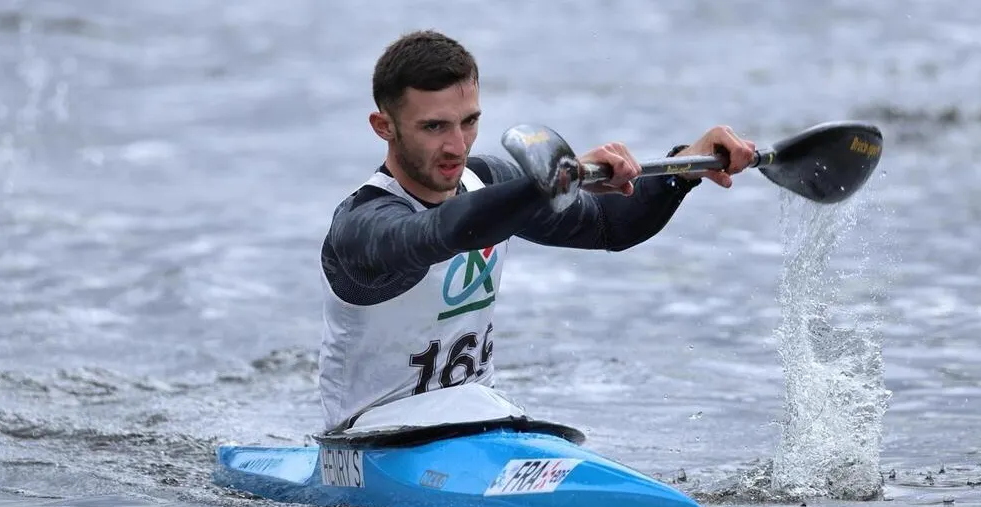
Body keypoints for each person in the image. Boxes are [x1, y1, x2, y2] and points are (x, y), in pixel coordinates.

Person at [319, 30, 756, 432]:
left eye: (468, 122)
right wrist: (548, 185)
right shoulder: (361, 226)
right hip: (371, 443)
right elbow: (440, 231)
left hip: (480, 422)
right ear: (384, 126)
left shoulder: (488, 181)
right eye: (434, 127)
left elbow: (610, 226)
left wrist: (683, 168)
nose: (457, 145)